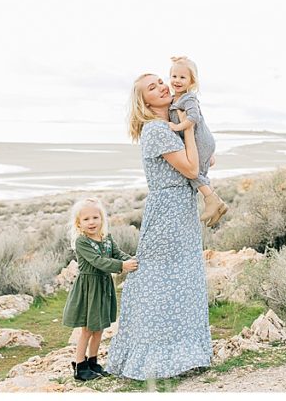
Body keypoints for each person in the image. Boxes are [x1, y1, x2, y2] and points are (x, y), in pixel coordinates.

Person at [105, 73, 212, 380]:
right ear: (145, 101)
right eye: (152, 87)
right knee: (155, 280)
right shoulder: (155, 130)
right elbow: (191, 167)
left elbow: (202, 162)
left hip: (182, 208)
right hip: (167, 212)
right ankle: (147, 357)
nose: (162, 87)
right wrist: (188, 129)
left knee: (183, 279)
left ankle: (185, 355)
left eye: (160, 82)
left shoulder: (170, 127)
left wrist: (186, 128)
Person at [61, 196, 138, 381]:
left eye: (95, 217)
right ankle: (80, 366)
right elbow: (98, 262)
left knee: (100, 328)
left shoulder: (107, 238)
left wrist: (132, 261)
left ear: (102, 218)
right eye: (86, 219)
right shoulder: (82, 242)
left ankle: (93, 362)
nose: (91, 222)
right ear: (78, 223)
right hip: (89, 289)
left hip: (103, 287)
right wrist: (122, 266)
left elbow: (118, 253)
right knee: (87, 329)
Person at [166, 56, 228, 227]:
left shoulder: (188, 98)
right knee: (198, 171)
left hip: (201, 140)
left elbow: (193, 117)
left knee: (192, 172)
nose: (177, 81)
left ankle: (213, 201)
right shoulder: (174, 99)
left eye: (182, 77)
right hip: (200, 142)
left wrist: (177, 127)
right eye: (174, 76)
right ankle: (217, 207)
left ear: (191, 81)